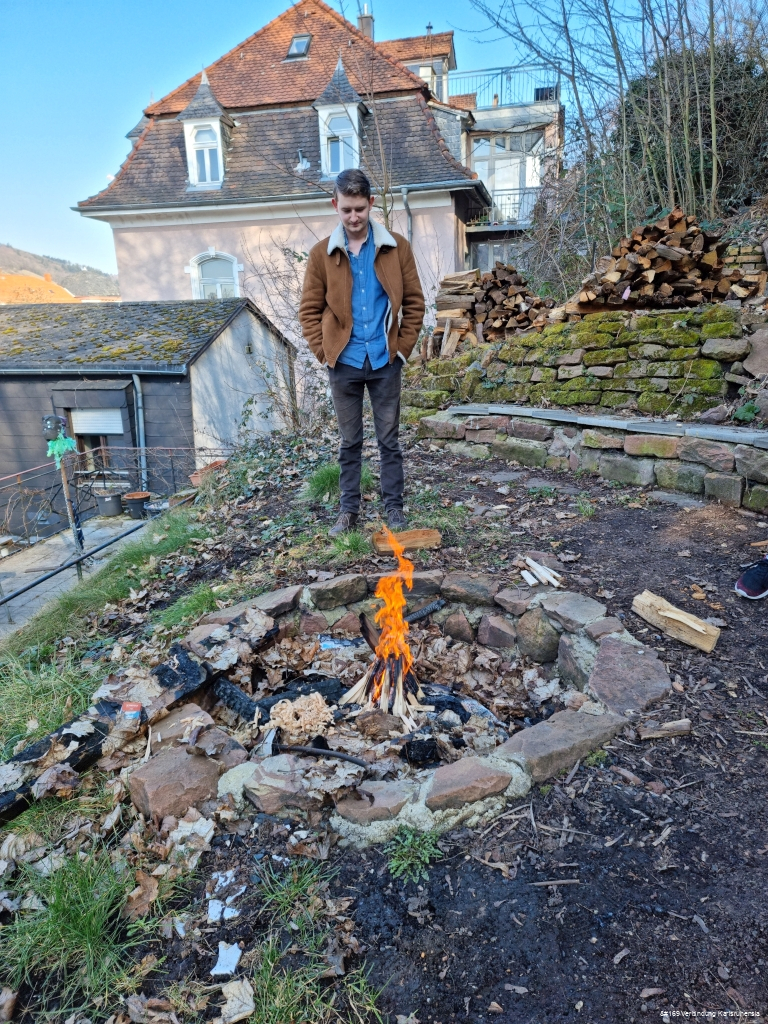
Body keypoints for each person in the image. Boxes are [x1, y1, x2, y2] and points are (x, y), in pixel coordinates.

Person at [299, 168, 425, 537]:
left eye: (359, 209)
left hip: (386, 360)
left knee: (389, 441)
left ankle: (394, 509)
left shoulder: (397, 248)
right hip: (344, 363)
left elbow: (415, 303)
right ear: (334, 205)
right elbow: (309, 311)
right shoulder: (321, 255)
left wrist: (402, 350)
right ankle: (348, 512)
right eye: (346, 210)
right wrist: (324, 353)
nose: (353, 217)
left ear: (370, 204)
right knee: (349, 443)